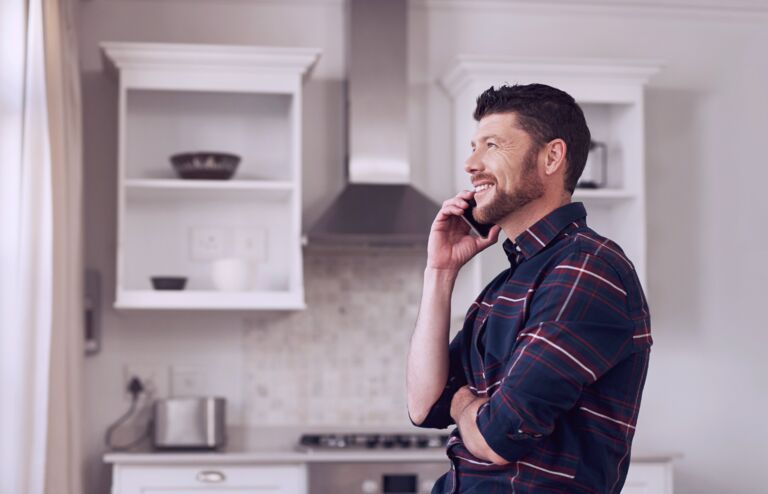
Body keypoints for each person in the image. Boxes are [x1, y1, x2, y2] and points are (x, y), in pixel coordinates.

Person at [406, 83, 652, 493]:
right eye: (473, 146)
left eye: (492, 145)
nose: (471, 163)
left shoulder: (586, 269)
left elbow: (496, 437)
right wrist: (440, 272)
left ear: (551, 156)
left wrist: (463, 401)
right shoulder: (508, 281)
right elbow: (424, 404)